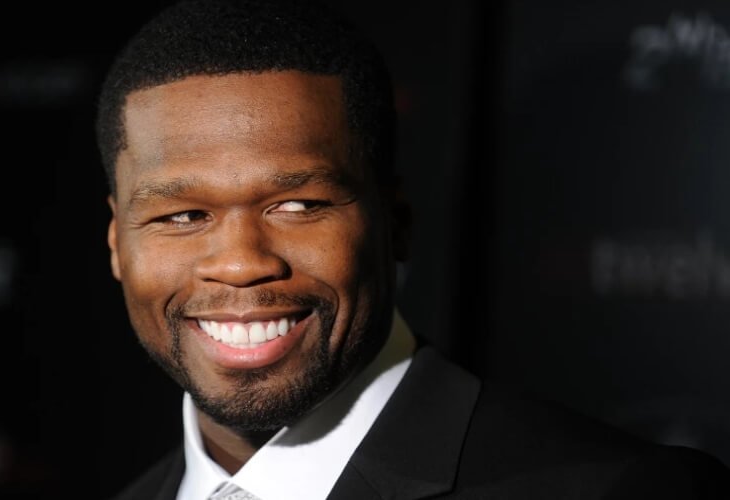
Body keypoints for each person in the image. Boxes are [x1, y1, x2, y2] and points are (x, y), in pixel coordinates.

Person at [96, 0, 730, 498]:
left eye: (299, 205)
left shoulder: (619, 489)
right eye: (181, 215)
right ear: (118, 242)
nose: (240, 262)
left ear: (394, 220)